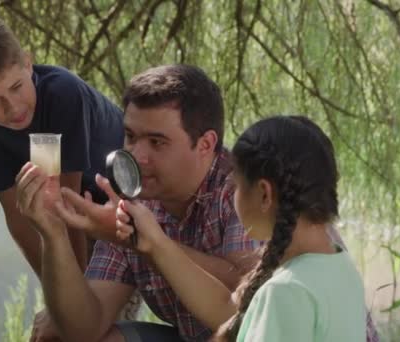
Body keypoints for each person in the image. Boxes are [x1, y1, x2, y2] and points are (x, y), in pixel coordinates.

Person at [16, 64, 261, 341]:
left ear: (205, 144)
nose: (136, 156)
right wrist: (53, 233)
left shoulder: (242, 191)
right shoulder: (131, 197)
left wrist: (139, 239)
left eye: (157, 143)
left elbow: (250, 298)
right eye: (131, 137)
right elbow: (82, 328)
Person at [0, 15, 129, 331]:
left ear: (28, 64)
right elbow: (20, 215)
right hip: (71, 211)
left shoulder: (61, 94)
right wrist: (58, 296)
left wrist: (72, 304)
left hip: (124, 205)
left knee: (87, 327)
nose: (13, 108)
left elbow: (65, 207)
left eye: (16, 87)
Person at [115, 115, 371, 341]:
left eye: (235, 186)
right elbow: (227, 307)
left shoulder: (284, 292)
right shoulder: (339, 265)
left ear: (263, 194)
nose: (232, 195)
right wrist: (155, 242)